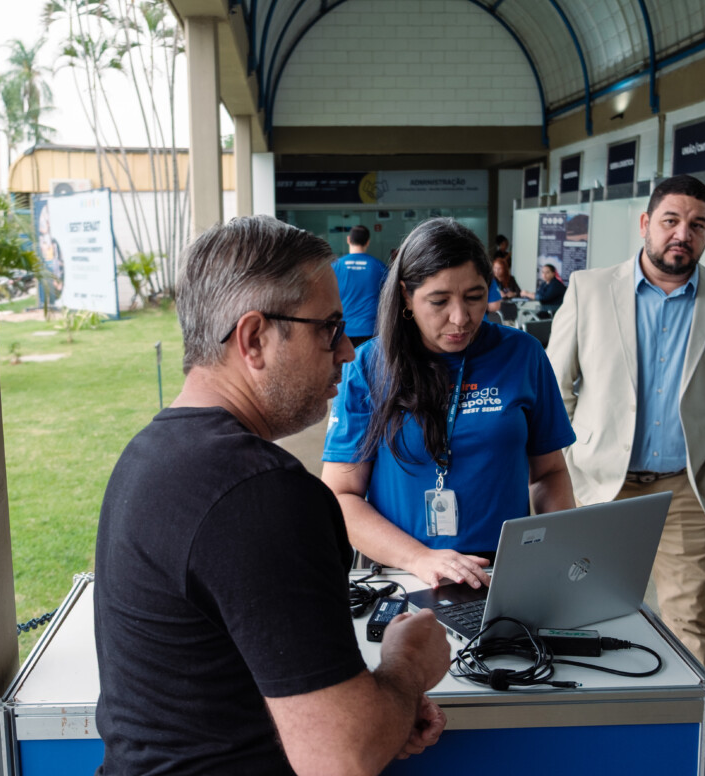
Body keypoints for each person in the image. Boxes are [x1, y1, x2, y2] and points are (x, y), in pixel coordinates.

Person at [94, 216, 451, 776]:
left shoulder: (149, 455)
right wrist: (406, 668)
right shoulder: (259, 494)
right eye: (329, 328)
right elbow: (342, 757)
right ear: (254, 338)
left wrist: (381, 712)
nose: (347, 350)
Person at [545, 174, 705, 677]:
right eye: (671, 221)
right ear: (646, 223)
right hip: (598, 484)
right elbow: (554, 387)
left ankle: (693, 725)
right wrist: (569, 462)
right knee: (581, 617)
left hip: (687, 488)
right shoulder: (589, 289)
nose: (682, 234)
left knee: (692, 623)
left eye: (698, 225)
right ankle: (586, 717)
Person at [322, 217, 576, 590]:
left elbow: (549, 472)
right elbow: (341, 496)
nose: (460, 318)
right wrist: (418, 558)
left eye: (474, 297)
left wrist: (558, 549)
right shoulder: (369, 365)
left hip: (502, 569)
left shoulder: (523, 355)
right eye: (439, 301)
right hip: (403, 571)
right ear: (406, 296)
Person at [332, 224, 388, 348]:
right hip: (370, 329)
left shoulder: (335, 266)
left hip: (343, 329)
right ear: (367, 242)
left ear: (348, 239)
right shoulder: (379, 266)